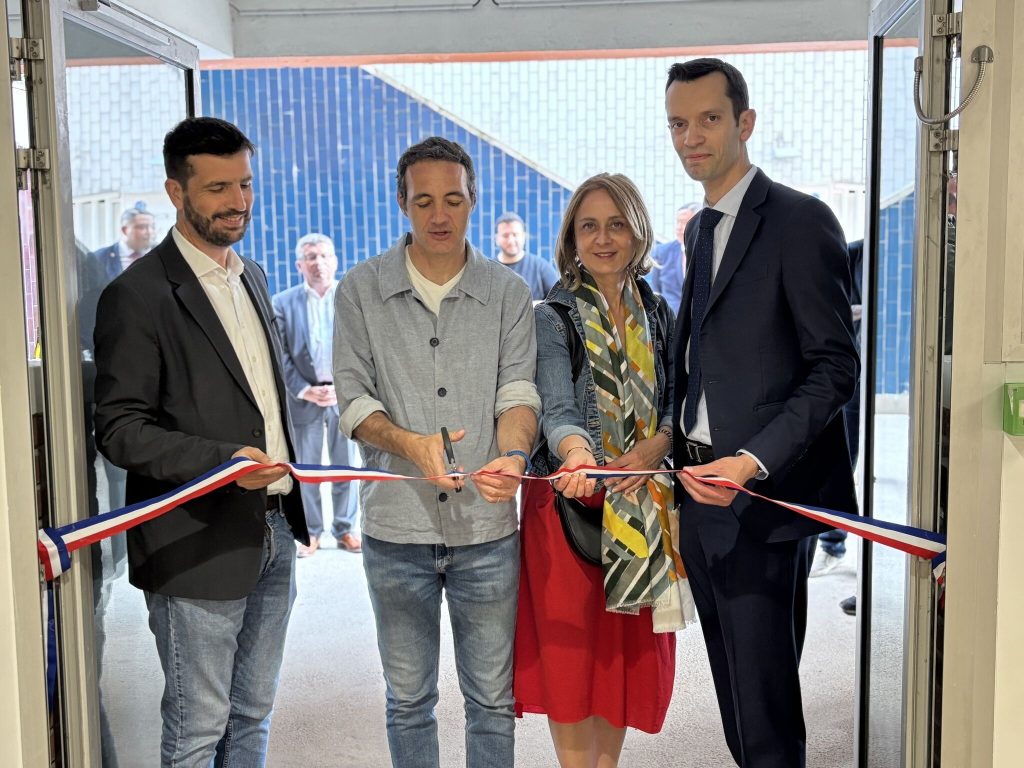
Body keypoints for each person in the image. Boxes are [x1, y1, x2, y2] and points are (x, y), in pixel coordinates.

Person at [93, 117, 310, 767]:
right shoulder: (137, 296)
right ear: (175, 191)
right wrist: (221, 463)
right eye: (218, 188)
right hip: (196, 541)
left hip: (273, 530)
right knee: (197, 730)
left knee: (252, 717)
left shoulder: (255, 277)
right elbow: (121, 428)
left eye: (245, 183)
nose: (237, 201)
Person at [666, 58, 858, 767]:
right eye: (679, 124)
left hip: (761, 497)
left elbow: (835, 367)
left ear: (744, 123)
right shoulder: (700, 229)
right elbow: (704, 360)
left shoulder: (800, 221)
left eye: (709, 119)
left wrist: (750, 460)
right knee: (736, 702)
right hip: (699, 495)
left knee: (767, 711)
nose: (692, 137)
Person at [333, 136, 540, 768]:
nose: (440, 215)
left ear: (473, 200)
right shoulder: (359, 290)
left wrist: (513, 454)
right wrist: (407, 443)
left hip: (486, 528)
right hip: (397, 531)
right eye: (424, 201)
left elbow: (517, 390)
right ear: (403, 203)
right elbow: (354, 401)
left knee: (490, 700)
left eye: (453, 199)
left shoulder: (507, 291)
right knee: (408, 699)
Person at [513, 172, 692, 768]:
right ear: (571, 237)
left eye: (616, 224)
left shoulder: (659, 312)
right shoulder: (553, 314)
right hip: (571, 503)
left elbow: (675, 400)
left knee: (618, 658)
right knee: (571, 657)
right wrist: (578, 456)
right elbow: (556, 405)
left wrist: (656, 446)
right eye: (589, 226)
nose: (604, 238)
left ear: (638, 230)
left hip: (642, 503)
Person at [273, 232, 361, 556]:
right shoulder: (282, 302)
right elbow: (279, 353)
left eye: (324, 256)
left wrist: (346, 388)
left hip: (343, 396)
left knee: (345, 467)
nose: (318, 263)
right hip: (304, 397)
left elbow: (363, 349)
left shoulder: (351, 298)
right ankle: (310, 532)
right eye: (311, 257)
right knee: (307, 470)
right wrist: (303, 389)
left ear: (335, 261)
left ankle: (346, 529)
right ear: (300, 264)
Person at [814, 239, 864, 581]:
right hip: (850, 371)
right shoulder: (855, 253)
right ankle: (833, 543)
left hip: (895, 375)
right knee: (841, 459)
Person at [493, 211, 559, 300]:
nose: (511, 240)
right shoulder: (489, 271)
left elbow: (560, 301)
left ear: (523, 236)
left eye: (515, 234)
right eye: (505, 235)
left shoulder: (540, 267)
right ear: (496, 239)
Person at [646, 203, 700, 311]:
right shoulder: (662, 252)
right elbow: (656, 289)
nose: (679, 228)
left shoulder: (706, 253)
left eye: (684, 223)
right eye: (678, 222)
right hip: (671, 320)